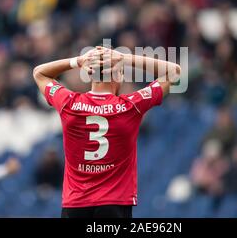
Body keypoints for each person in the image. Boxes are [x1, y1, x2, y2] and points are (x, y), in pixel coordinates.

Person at [33, 46, 180, 218]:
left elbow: (39, 73)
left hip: (75, 204)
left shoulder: (68, 103)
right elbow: (174, 72)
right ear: (117, 75)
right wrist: (124, 58)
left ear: (90, 75)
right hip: (114, 204)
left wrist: (78, 61)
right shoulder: (131, 106)